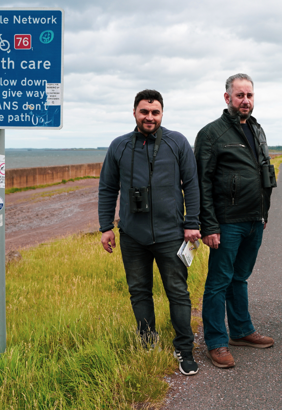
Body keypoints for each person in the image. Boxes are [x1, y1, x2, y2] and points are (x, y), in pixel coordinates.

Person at [98, 89, 201, 376]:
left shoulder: (176, 142)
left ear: (162, 114)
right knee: (139, 292)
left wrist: (192, 222)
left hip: (172, 234)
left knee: (178, 293)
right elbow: (108, 187)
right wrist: (106, 226)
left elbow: (191, 184)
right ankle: (147, 343)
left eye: (155, 112)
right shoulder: (119, 146)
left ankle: (184, 348)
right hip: (132, 235)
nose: (149, 117)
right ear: (134, 113)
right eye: (144, 111)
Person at [194, 73, 277, 368]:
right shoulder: (211, 134)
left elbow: (263, 173)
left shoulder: (256, 129)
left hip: (255, 220)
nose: (245, 100)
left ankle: (241, 331)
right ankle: (216, 342)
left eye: (250, 95)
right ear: (227, 97)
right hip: (227, 222)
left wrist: (264, 214)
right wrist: (209, 225)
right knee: (218, 282)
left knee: (239, 278)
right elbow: (200, 182)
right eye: (240, 95)